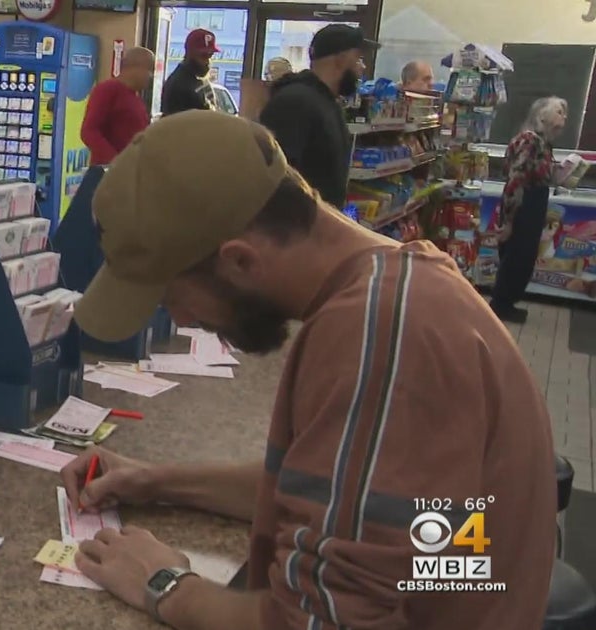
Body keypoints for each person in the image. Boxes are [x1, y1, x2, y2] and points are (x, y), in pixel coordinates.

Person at [61, 111, 554, 629]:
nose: (182, 319)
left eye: (169, 297)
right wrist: (155, 482)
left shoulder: (377, 335)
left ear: (240, 262)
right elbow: (343, 502)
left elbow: (321, 624)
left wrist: (164, 585)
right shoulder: (398, 283)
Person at [259, 24, 376, 208]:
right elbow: (276, 176)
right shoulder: (294, 102)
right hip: (295, 230)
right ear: (340, 60)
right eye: (358, 59)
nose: (362, 67)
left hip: (318, 227)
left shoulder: (328, 103)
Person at [490, 96, 568, 323]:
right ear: (541, 115)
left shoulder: (544, 143)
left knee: (524, 257)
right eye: (558, 112)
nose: (564, 117)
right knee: (516, 255)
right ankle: (500, 305)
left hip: (534, 202)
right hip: (522, 204)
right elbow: (516, 179)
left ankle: (508, 302)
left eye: (564, 112)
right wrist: (509, 221)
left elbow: (539, 173)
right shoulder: (530, 140)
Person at [81, 46, 154, 166]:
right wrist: (115, 161)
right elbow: (89, 131)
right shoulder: (108, 90)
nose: (150, 76)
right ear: (135, 67)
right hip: (111, 171)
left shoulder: (134, 97)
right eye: (149, 69)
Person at [160, 29, 218, 116]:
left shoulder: (200, 79)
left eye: (210, 56)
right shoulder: (179, 83)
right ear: (189, 54)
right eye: (203, 56)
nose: (207, 62)